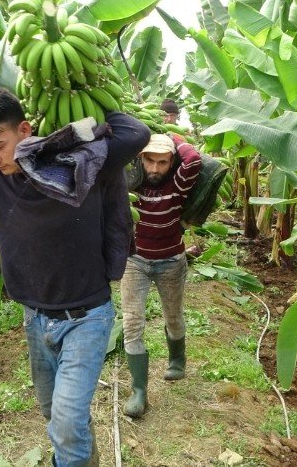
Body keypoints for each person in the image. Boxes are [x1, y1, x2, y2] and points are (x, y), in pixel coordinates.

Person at [0, 88, 149, 466]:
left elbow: (135, 133)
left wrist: (81, 94)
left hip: (87, 317)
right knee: (57, 416)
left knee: (64, 422)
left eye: (0, 144)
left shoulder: (81, 164)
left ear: (26, 129)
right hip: (35, 318)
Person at [121, 133, 201, 417]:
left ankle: (177, 360)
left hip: (171, 260)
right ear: (140, 159)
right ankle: (139, 391)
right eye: (149, 160)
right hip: (135, 262)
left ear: (171, 162)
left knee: (174, 317)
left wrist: (169, 135)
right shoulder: (129, 184)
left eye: (162, 162)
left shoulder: (178, 183)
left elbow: (193, 159)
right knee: (132, 323)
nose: (155, 169)